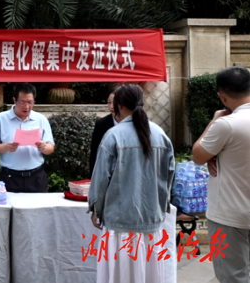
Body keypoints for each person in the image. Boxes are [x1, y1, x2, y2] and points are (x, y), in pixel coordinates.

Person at [88, 84, 175, 283]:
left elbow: (100, 178)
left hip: (119, 220)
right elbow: (168, 176)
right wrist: (161, 207)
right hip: (150, 218)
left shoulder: (113, 135)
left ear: (118, 106)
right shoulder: (160, 134)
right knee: (148, 272)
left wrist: (96, 209)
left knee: (119, 274)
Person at [192, 66, 250, 283]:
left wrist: (214, 121)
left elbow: (198, 155)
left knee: (232, 276)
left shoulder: (226, 125)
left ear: (222, 96)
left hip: (229, 214)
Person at [0, 83, 55, 192]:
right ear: (14, 100)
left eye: (30, 102)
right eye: (22, 102)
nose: (27, 106)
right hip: (10, 177)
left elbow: (51, 147)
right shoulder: (0, 119)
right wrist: (6, 147)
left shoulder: (41, 119)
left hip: (36, 177)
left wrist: (44, 147)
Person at [89, 92, 118, 176]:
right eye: (109, 102)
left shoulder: (134, 124)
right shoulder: (101, 124)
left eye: (115, 102)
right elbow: (95, 153)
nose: (112, 106)